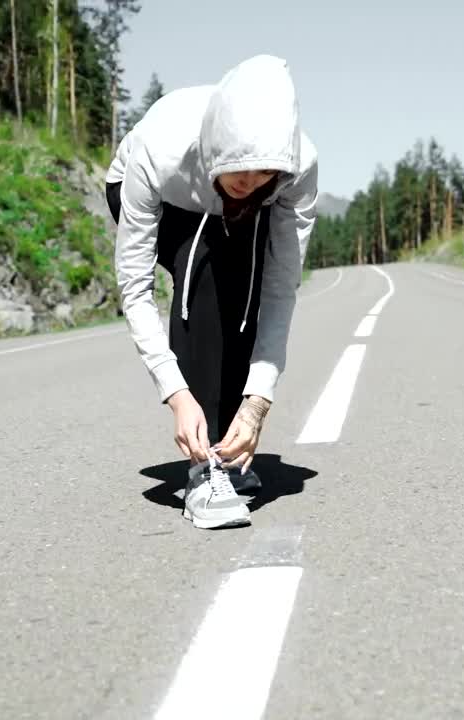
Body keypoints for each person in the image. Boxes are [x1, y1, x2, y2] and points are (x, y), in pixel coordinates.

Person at [104, 55, 318, 530]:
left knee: (246, 279)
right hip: (155, 193)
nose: (251, 184)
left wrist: (257, 402)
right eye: (240, 173)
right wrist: (176, 393)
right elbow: (135, 288)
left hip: (216, 203)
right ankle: (203, 471)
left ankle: (228, 445)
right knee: (203, 266)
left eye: (264, 174)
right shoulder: (159, 149)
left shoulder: (296, 167)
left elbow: (280, 289)